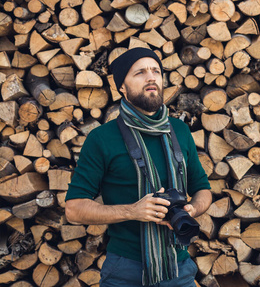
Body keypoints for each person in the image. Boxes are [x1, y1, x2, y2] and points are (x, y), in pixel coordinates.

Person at [65, 47, 212, 287]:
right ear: (121, 86)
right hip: (125, 271)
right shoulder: (102, 138)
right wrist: (132, 211)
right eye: (140, 72)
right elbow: (73, 209)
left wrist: (191, 210)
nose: (151, 77)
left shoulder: (180, 131)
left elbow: (203, 189)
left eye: (156, 70)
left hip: (180, 267)